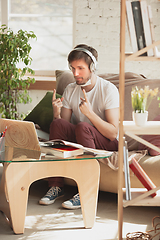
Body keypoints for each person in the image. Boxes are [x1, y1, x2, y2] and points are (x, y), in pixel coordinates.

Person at [39, 44, 119, 209]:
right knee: (58, 123)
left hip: (106, 141)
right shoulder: (70, 89)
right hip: (81, 137)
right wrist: (56, 113)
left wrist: (90, 114)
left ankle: (86, 189)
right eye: (72, 68)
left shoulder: (108, 90)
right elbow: (64, 128)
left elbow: (113, 133)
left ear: (92, 68)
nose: (75, 73)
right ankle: (56, 186)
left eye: (81, 68)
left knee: (83, 126)